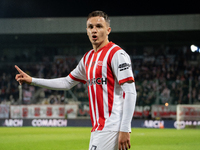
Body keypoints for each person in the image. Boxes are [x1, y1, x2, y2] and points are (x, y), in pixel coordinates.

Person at [15, 10, 137, 150]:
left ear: (108, 30)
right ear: (86, 31)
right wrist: (32, 80)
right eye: (90, 27)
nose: (94, 30)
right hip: (98, 128)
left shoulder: (117, 54)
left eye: (99, 26)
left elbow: (130, 92)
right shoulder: (88, 58)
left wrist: (125, 128)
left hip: (112, 127)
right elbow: (67, 82)